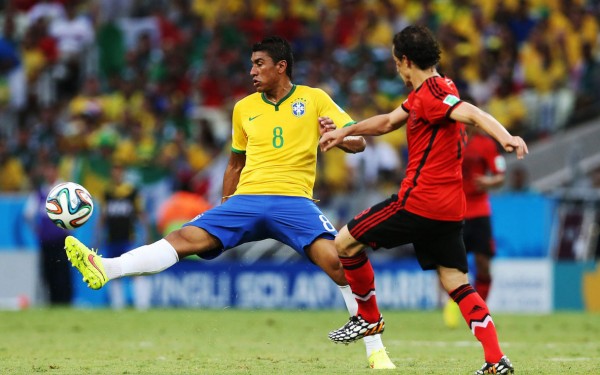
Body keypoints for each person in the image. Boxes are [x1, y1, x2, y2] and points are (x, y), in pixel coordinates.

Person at [64, 36, 395, 369]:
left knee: (339, 262)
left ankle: (375, 350)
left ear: (281, 67)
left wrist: (338, 138)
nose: (252, 71)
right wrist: (225, 205)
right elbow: (235, 163)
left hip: (294, 200)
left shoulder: (314, 99)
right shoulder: (243, 108)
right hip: (247, 199)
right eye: (251, 64)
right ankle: (107, 268)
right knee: (184, 239)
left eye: (259, 64)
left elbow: (359, 142)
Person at [319, 25, 527, 374]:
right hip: (450, 209)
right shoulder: (430, 90)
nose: (396, 69)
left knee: (344, 242)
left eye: (396, 62)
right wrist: (346, 130)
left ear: (405, 61)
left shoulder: (432, 95)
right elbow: (387, 121)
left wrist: (507, 137)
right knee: (456, 282)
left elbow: (472, 113)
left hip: (419, 202)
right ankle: (495, 360)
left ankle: (368, 319)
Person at [443, 126, 506, 328]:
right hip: (454, 209)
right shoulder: (447, 139)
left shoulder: (486, 144)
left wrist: (490, 181)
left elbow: (500, 176)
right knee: (452, 264)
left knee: (483, 263)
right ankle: (453, 304)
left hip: (479, 211)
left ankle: (479, 308)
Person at [97, 163, 150, 310]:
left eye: (119, 171)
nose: (116, 174)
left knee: (134, 270)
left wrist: (147, 235)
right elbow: (102, 217)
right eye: (114, 171)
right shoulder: (107, 193)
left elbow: (141, 214)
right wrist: (97, 236)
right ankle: (117, 306)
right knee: (114, 272)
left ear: (123, 173)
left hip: (128, 238)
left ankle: (142, 304)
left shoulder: (132, 192)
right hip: (112, 239)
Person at [24, 159, 73, 305]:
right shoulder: (40, 193)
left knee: (63, 273)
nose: (49, 173)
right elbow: (28, 214)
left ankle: (65, 302)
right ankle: (52, 303)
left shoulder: (64, 190)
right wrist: (37, 230)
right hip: (46, 242)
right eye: (47, 170)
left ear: (56, 171)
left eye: (52, 169)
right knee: (48, 273)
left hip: (62, 242)